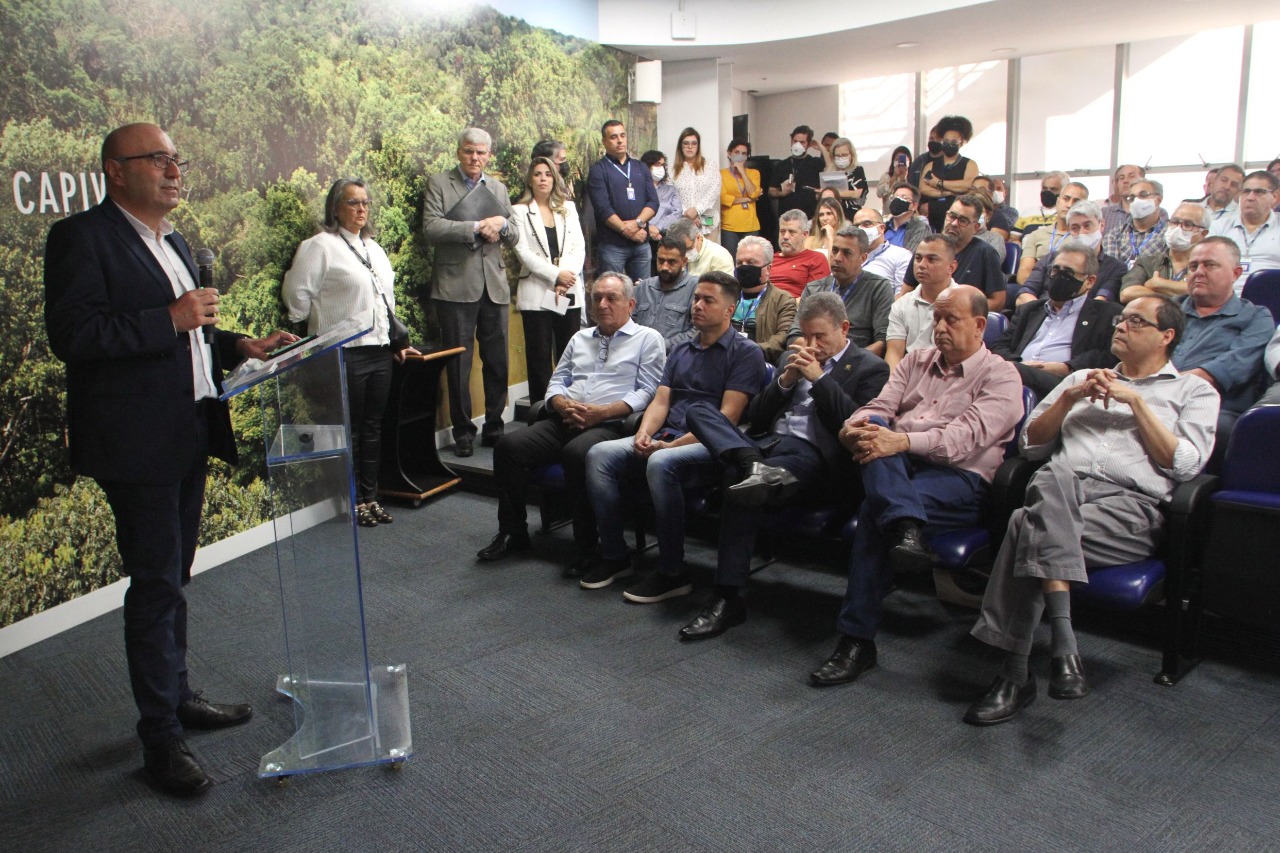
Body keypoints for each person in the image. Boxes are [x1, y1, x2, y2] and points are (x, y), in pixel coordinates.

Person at [44, 122, 296, 796]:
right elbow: (73, 334)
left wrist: (238, 343)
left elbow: (193, 335)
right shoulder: (81, 238)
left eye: (176, 160)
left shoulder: (176, 241)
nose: (173, 170)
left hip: (188, 430)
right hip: (136, 441)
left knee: (173, 576)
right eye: (158, 160)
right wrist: (171, 318)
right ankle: (160, 736)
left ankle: (178, 693)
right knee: (155, 586)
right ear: (115, 171)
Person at [966, 296, 1219, 725]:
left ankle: (1015, 673)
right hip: (1065, 493)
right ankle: (1061, 651)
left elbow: (1185, 464)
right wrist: (1069, 399)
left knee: (1023, 523)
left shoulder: (1193, 391)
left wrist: (1135, 402)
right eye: (1121, 318)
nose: (1121, 326)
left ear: (1167, 336)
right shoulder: (1081, 378)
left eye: (1137, 321)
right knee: (1050, 476)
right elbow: (1031, 444)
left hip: (1129, 510)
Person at [809, 286, 1023, 687]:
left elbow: (963, 440)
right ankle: (906, 529)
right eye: (936, 319)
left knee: (876, 511)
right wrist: (854, 428)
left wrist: (901, 440)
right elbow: (879, 407)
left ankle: (857, 639)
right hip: (899, 467)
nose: (939, 327)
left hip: (959, 480)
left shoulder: (1002, 376)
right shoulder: (915, 361)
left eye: (951, 320)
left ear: (979, 326)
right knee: (874, 430)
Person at [676, 293, 890, 641]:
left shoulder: (870, 367)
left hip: (817, 459)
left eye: (820, 336)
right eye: (806, 336)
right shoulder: (793, 357)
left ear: (844, 328)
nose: (811, 344)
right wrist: (785, 381)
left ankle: (727, 597)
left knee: (736, 478)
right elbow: (758, 417)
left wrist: (820, 379)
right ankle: (751, 466)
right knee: (699, 412)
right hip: (767, 447)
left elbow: (854, 424)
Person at [584, 271, 767, 600]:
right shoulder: (683, 349)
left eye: (708, 300)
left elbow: (726, 420)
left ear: (730, 309)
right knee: (599, 455)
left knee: (660, 463)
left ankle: (672, 571)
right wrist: (643, 433)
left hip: (711, 447)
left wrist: (667, 446)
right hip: (667, 437)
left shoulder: (746, 352)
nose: (696, 305)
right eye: (696, 298)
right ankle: (615, 556)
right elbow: (661, 400)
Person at [476, 273, 666, 574]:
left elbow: (648, 391)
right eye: (597, 298)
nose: (602, 304)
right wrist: (560, 403)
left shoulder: (647, 339)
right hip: (565, 418)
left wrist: (602, 412)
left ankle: (587, 547)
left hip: (611, 423)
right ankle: (513, 532)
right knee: (508, 447)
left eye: (611, 298)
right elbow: (558, 381)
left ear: (630, 303)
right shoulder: (579, 338)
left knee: (577, 454)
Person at [283, 178, 420, 528]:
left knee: (373, 427)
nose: (361, 209)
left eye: (365, 203)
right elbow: (296, 299)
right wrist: (323, 326)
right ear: (335, 207)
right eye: (352, 202)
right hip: (344, 353)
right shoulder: (319, 246)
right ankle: (351, 500)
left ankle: (371, 497)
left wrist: (395, 342)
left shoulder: (373, 248)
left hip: (379, 351)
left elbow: (385, 302)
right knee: (351, 430)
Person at [422, 127, 519, 457]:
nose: (475, 158)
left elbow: (515, 234)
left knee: (497, 362)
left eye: (480, 153)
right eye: (468, 152)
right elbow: (432, 227)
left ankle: (495, 425)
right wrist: (477, 226)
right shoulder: (439, 183)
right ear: (458, 152)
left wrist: (502, 224)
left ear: (488, 155)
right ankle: (462, 431)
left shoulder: (498, 188)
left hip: (494, 288)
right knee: (458, 366)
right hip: (454, 289)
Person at [1171, 237, 1274, 462]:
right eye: (1193, 266)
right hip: (1153, 397)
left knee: (1218, 428)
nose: (1198, 272)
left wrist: (1164, 386)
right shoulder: (1168, 308)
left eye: (1210, 265)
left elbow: (1231, 367)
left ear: (1236, 273)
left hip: (1215, 408)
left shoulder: (1256, 316)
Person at [990, 240, 1123, 399]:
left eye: (1068, 273)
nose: (1059, 277)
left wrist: (1068, 367)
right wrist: (1019, 365)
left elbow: (1109, 355)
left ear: (1090, 281)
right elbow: (1000, 346)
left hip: (1064, 383)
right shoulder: (1030, 309)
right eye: (1055, 270)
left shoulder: (1107, 313)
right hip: (1016, 373)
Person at [511, 156, 586, 404]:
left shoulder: (568, 208)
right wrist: (555, 275)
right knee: (539, 357)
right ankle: (541, 413)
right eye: (537, 174)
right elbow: (523, 252)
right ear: (530, 180)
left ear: (554, 178)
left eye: (548, 174)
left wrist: (565, 279)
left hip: (568, 291)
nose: (543, 178)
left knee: (569, 354)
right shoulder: (519, 211)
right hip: (536, 292)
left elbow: (578, 247)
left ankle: (570, 408)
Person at [788, 226, 895, 357]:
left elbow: (882, 342)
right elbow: (794, 336)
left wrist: (841, 359)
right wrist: (819, 353)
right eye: (835, 250)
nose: (838, 258)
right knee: (784, 360)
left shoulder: (878, 288)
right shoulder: (814, 288)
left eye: (847, 253)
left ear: (863, 258)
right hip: (813, 357)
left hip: (855, 362)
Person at [587, 120, 659, 283]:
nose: (619, 140)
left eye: (622, 135)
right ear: (604, 142)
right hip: (613, 246)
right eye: (613, 137)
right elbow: (603, 208)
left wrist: (637, 223)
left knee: (642, 293)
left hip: (641, 244)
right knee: (613, 293)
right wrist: (628, 231)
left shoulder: (640, 167)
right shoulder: (598, 170)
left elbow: (653, 202)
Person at [904, 195, 1005, 312]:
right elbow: (906, 292)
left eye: (963, 220)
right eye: (951, 216)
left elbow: (998, 301)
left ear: (976, 227)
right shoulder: (926, 248)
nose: (954, 223)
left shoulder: (986, 253)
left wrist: (960, 310)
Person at [1017, 200, 1126, 305]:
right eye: (1075, 228)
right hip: (1044, 314)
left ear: (1101, 225)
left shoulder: (1115, 268)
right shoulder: (1051, 258)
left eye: (1087, 226)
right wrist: (1046, 314)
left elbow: (1100, 302)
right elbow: (1025, 294)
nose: (1082, 232)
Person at [885, 235, 959, 371]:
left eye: (931, 259)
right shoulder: (901, 305)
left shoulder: (965, 304)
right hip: (908, 375)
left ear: (951, 267)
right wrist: (894, 387)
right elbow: (894, 354)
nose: (922, 265)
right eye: (918, 259)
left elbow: (962, 357)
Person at [1119, 202, 1211, 303]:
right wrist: (1175, 295)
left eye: (1188, 225)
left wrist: (1159, 284)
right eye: (1174, 222)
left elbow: (1209, 293)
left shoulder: (1208, 266)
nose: (1178, 229)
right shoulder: (1147, 262)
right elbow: (1127, 293)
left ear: (1203, 233)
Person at [1209, 170, 1280, 294]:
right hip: (1224, 299)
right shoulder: (1219, 227)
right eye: (1246, 192)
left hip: (1271, 300)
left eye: (1259, 192)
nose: (1250, 197)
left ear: (1275, 197)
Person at [732, 235, 796, 363]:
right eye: (739, 263)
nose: (744, 267)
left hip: (758, 361)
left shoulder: (783, 300)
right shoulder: (726, 295)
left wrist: (747, 351)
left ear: (768, 269)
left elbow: (782, 338)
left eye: (751, 263)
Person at [1016, 181, 1089, 284]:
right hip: (1035, 289)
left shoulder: (1085, 238)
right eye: (1066, 199)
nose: (1069, 205)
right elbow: (1024, 272)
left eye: (1076, 201)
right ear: (1058, 201)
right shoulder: (1036, 235)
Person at [633, 236, 697, 351]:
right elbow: (628, 322)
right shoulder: (643, 287)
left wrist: (662, 345)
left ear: (684, 262)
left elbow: (698, 330)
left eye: (671, 262)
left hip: (675, 357)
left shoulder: (695, 287)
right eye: (661, 260)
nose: (664, 267)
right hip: (638, 354)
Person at [919, 115, 979, 233]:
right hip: (932, 215)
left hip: (958, 218)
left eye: (953, 142)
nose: (949, 144)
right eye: (945, 141)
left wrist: (938, 183)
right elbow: (923, 187)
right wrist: (948, 192)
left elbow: (967, 185)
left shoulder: (970, 164)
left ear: (961, 142)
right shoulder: (931, 165)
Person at [1101, 179, 1168, 269]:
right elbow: (1111, 271)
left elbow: (1164, 270)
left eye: (1143, 195)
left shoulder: (1168, 235)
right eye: (1132, 198)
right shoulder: (1114, 235)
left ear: (1158, 200)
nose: (1136, 201)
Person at [672, 127, 721, 241]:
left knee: (708, 257)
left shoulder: (709, 165)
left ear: (698, 146)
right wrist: (687, 214)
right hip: (684, 222)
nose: (690, 147)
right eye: (686, 143)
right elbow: (673, 195)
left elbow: (714, 190)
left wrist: (697, 211)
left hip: (708, 220)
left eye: (694, 143)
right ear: (681, 146)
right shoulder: (673, 169)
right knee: (687, 257)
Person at [770, 210, 831, 298]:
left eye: (792, 232)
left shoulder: (816, 259)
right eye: (782, 231)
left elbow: (815, 298)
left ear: (805, 235)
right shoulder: (769, 259)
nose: (786, 236)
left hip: (795, 308)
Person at [769, 125, 825, 218]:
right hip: (786, 216)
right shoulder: (782, 165)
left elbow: (831, 165)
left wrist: (820, 146)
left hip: (810, 216)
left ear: (808, 144)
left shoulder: (816, 163)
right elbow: (771, 191)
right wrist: (781, 193)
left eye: (802, 142)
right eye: (795, 141)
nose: (797, 145)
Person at [720, 139, 763, 257]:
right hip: (729, 227)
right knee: (730, 261)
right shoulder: (721, 174)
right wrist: (748, 199)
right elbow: (723, 198)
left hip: (751, 225)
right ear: (729, 154)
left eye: (744, 153)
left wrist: (742, 172)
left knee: (751, 260)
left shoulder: (754, 173)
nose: (740, 156)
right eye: (737, 152)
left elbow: (753, 193)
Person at [851, 208, 913, 289]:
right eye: (856, 226)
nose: (860, 229)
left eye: (867, 224)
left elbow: (903, 297)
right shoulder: (849, 256)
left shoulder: (901, 255)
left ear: (882, 228)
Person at [1011, 171, 1071, 243]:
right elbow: (1013, 238)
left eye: (1053, 189)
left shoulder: (1067, 214)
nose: (1047, 192)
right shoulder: (1026, 213)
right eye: (1044, 188)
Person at [666, 217, 734, 278]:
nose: (684, 254)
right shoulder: (673, 256)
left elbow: (724, 290)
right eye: (680, 251)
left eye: (688, 249)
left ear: (698, 238)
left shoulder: (720, 256)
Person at [883, 182, 933, 254]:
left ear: (914, 206)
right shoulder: (883, 227)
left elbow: (908, 258)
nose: (897, 200)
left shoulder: (920, 228)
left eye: (904, 197)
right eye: (895, 197)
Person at [1100, 164, 1148, 234]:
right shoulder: (1104, 213)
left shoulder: (1155, 212)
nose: (1125, 181)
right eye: (1121, 178)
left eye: (1131, 176)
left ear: (1143, 181)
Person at [828, 137, 868, 219]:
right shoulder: (830, 172)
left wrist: (831, 193)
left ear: (851, 155)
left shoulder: (857, 170)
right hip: (833, 214)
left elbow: (856, 193)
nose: (841, 158)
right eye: (837, 156)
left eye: (844, 155)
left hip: (851, 214)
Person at [972, 174, 1018, 241]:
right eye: (973, 189)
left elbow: (993, 243)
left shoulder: (998, 216)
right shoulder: (962, 210)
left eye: (981, 189)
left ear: (991, 193)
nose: (976, 192)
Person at [876, 146, 913, 216]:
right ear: (893, 161)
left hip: (906, 215)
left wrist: (904, 179)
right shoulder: (886, 176)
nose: (900, 163)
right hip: (888, 215)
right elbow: (879, 193)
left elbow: (913, 195)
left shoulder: (912, 176)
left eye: (903, 160)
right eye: (897, 159)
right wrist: (893, 178)